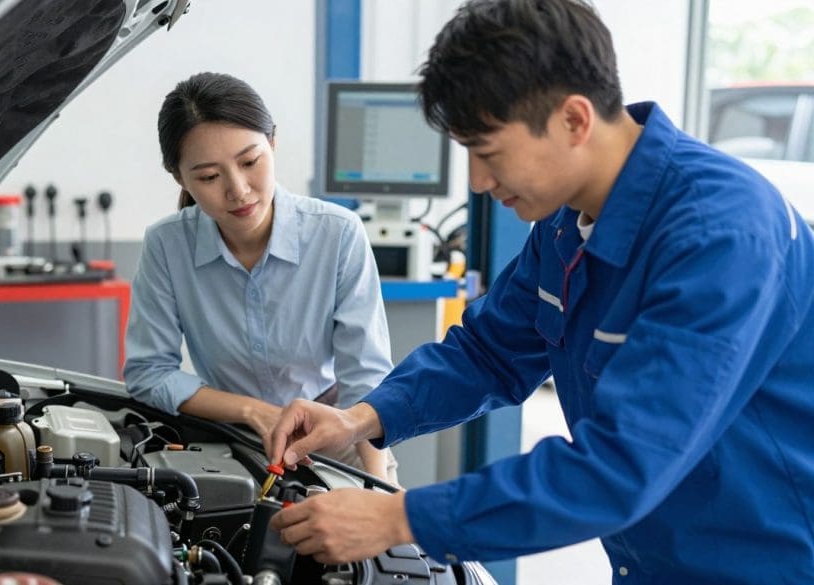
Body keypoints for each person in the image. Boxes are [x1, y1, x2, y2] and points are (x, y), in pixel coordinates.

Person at [267, 1, 814, 582]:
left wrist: (400, 518)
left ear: (574, 120)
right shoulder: (563, 225)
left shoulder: (722, 237)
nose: (477, 182)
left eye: (488, 152)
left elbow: (621, 466)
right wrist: (359, 418)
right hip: (651, 560)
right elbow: (488, 353)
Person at [123, 72, 397, 483]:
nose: (238, 190)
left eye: (250, 162)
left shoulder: (337, 233)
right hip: (231, 441)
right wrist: (253, 412)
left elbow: (366, 381)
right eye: (209, 177)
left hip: (336, 435)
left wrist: (379, 488)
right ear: (180, 178)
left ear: (272, 142)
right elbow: (148, 373)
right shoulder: (166, 245)